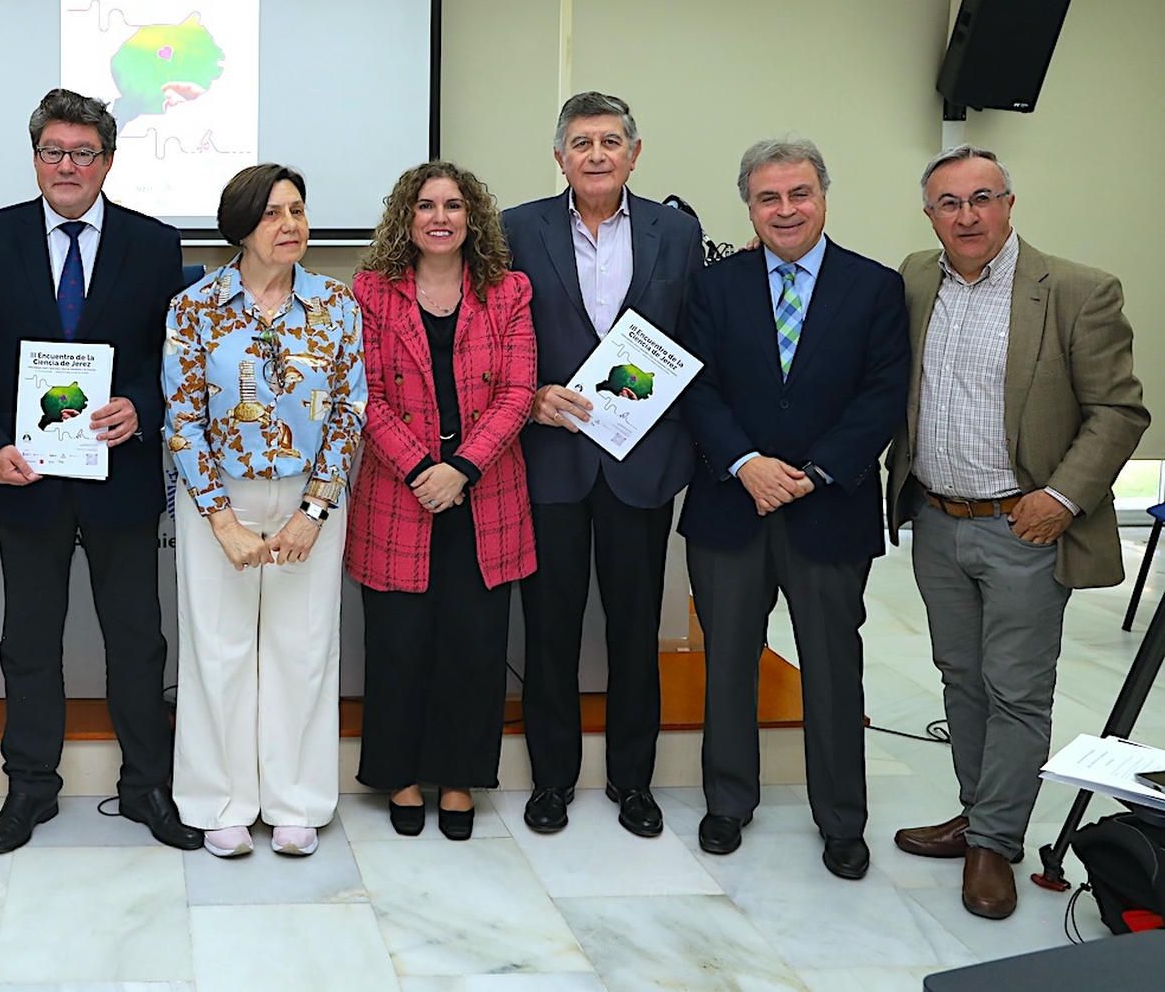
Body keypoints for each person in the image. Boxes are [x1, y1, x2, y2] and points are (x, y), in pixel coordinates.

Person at [884, 146, 1147, 919]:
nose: (966, 216)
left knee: (1018, 689)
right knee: (961, 679)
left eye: (982, 198)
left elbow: (1118, 410)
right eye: (948, 203)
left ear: (1009, 203)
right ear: (928, 214)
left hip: (1024, 526)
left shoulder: (1075, 290)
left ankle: (996, 842)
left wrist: (1062, 496)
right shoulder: (914, 279)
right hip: (938, 517)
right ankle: (977, 813)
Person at [0, 87, 201, 854]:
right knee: (28, 637)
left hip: (119, 478)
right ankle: (29, 787)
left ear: (109, 161)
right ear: (35, 159)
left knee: (137, 639)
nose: (67, 165)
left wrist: (141, 406)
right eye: (53, 151)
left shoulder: (154, 245)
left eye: (84, 153)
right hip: (24, 476)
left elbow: (171, 359)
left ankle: (148, 786)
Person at [680, 137, 909, 879]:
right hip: (730, 504)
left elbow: (883, 394)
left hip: (828, 506)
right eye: (768, 197)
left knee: (833, 668)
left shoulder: (874, 288)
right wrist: (746, 462)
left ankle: (843, 818)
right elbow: (698, 387)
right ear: (748, 206)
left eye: (799, 193)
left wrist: (815, 471)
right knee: (729, 662)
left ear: (823, 196)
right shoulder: (714, 288)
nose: (786, 209)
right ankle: (728, 801)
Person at [501, 92, 703, 838]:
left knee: (633, 627)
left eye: (609, 141)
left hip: (640, 463)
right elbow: (498, 341)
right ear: (559, 156)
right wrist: (529, 398)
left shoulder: (677, 232)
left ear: (634, 153)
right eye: (580, 142)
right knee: (549, 629)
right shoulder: (516, 228)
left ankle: (633, 780)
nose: (595, 154)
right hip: (550, 459)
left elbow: (693, 334)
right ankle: (552, 780)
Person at [163, 163, 364, 858]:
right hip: (217, 497)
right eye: (275, 213)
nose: (292, 226)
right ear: (242, 227)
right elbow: (182, 417)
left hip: (310, 499)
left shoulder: (336, 305)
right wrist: (220, 518)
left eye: (299, 211)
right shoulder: (195, 307)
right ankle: (218, 800)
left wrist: (313, 511)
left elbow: (347, 413)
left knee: (303, 648)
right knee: (218, 648)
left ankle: (296, 800)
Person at [346, 161, 536, 840]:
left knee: (475, 643)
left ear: (472, 217)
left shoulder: (508, 290)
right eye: (426, 204)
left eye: (454, 205)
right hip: (400, 492)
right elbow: (362, 392)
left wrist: (459, 467)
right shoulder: (369, 292)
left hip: (484, 494)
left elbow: (519, 391)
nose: (440, 216)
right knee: (398, 642)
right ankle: (399, 774)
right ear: (406, 216)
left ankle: (459, 778)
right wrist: (422, 468)